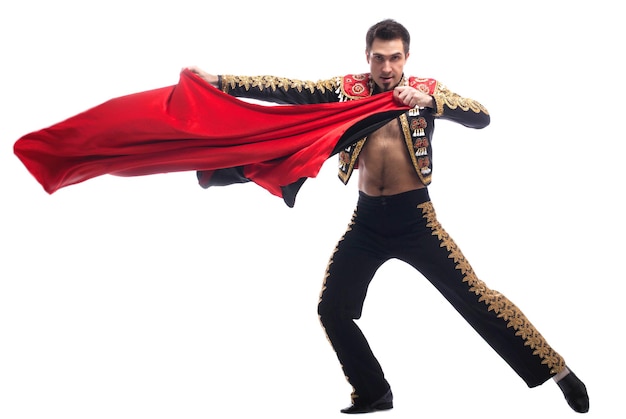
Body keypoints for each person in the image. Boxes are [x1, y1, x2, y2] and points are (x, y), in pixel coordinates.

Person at [188, 19, 589, 414]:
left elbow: (480, 115)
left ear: (406, 57)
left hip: (416, 219)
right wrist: (221, 81)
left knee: (476, 298)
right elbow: (288, 90)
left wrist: (430, 102)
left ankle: (559, 372)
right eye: (378, 59)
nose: (386, 69)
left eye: (394, 59)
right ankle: (373, 392)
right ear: (367, 56)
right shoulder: (348, 91)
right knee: (332, 310)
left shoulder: (425, 92)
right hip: (367, 223)